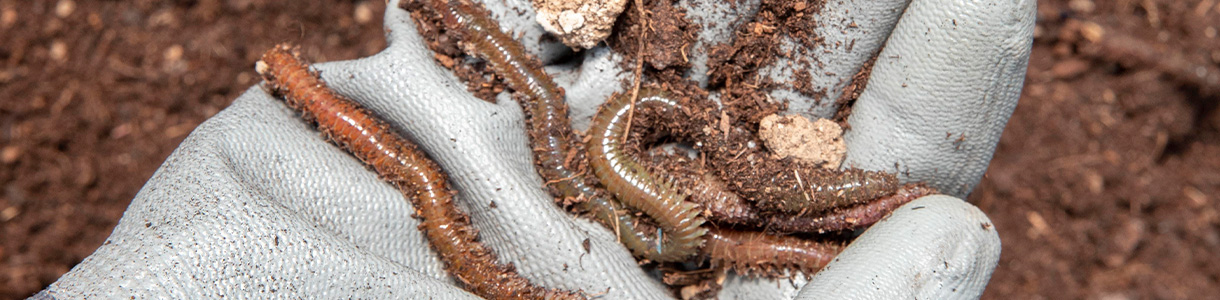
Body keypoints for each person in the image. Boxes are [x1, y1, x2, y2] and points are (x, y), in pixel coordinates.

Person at [34, 0, 1034, 298]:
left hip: (632, 177)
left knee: (568, 153)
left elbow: (649, 211)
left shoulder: (609, 155)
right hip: (620, 187)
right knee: (546, 160)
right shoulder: (584, 172)